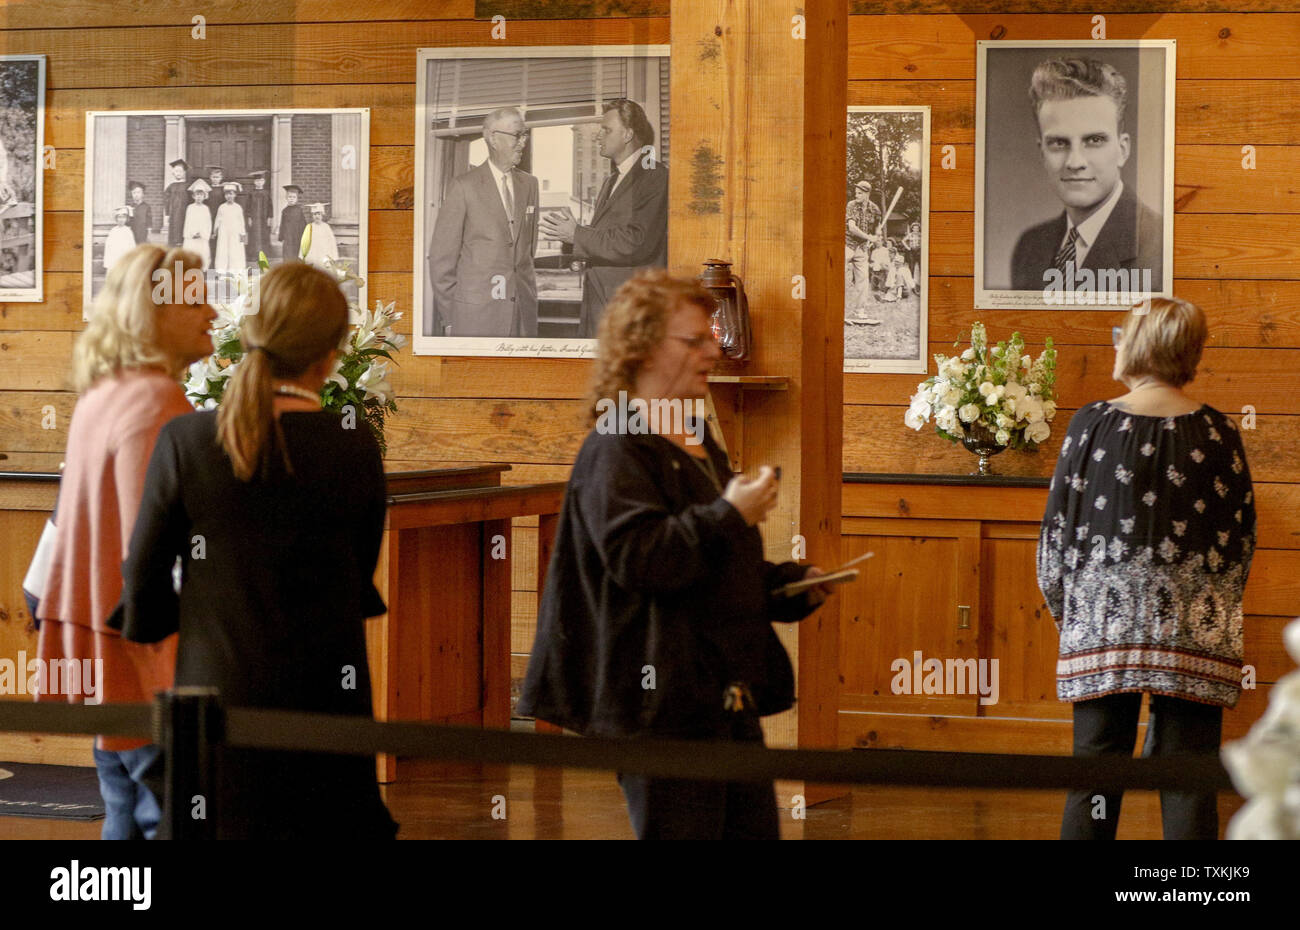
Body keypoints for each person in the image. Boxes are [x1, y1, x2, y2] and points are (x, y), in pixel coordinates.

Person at [518, 270, 835, 840]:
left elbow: (708, 566)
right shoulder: (617, 445)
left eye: (711, 336)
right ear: (640, 348)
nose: (713, 349)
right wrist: (728, 513)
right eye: (694, 340)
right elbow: (643, 560)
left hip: (718, 695)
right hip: (658, 704)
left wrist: (786, 586)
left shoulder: (693, 437)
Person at [110, 262, 398, 841]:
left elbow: (142, 579)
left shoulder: (188, 440)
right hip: (328, 695)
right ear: (332, 353)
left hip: (215, 694)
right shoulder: (354, 444)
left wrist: (181, 625)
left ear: (250, 333)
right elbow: (359, 566)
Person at [1037, 297, 1255, 840]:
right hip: (1195, 639)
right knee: (1186, 778)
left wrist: (1076, 622)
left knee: (1095, 776)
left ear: (1137, 345)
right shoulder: (1221, 433)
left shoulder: (1089, 425)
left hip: (1102, 631)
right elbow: (1240, 545)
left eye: (1121, 332)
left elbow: (1054, 545)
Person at [34, 244, 215, 840]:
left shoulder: (103, 392)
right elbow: (155, 552)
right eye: (197, 298)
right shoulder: (158, 400)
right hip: (143, 661)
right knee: (171, 820)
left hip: (95, 651)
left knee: (124, 817)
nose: (212, 312)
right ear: (154, 311)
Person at [1010, 57, 1163, 297]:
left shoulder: (1161, 247)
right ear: (1042, 152)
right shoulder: (1029, 248)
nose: (1075, 162)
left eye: (1094, 140)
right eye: (1059, 143)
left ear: (1123, 150)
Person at [539, 98, 668, 338]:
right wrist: (570, 236)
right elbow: (608, 237)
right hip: (603, 301)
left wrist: (577, 233)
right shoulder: (612, 180)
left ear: (628, 134)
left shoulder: (654, 176)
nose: (598, 135)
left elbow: (635, 242)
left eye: (606, 129)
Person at [427, 106, 539, 337]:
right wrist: (451, 317)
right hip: (475, 319)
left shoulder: (530, 185)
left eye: (525, 135)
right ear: (493, 138)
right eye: (518, 135)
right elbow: (441, 260)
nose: (523, 142)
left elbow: (528, 250)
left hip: (522, 317)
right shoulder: (463, 187)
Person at [846, 179, 882, 304]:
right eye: (856, 193)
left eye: (860, 193)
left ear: (867, 194)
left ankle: (859, 311)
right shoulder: (852, 205)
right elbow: (852, 227)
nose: (856, 195)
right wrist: (869, 237)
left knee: (863, 279)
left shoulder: (875, 209)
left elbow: (878, 226)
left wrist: (877, 233)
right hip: (847, 245)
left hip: (862, 248)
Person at [212, 181, 246, 275]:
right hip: (224, 232)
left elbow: (241, 222)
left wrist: (243, 237)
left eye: (231, 194)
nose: (229, 196)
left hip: (235, 232)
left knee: (235, 249)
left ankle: (235, 270)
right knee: (222, 249)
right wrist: (215, 231)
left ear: (235, 195)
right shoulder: (221, 207)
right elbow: (217, 220)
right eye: (227, 194)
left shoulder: (238, 207)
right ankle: (222, 269)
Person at [183, 179, 212, 269]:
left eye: (201, 195)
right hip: (192, 236)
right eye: (197, 195)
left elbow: (208, 223)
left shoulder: (205, 208)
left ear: (204, 196)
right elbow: (188, 222)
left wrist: (203, 233)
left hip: (202, 236)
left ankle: (202, 269)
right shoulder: (190, 208)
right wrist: (192, 233)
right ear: (193, 196)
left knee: (202, 252)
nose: (199, 197)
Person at [244, 170, 272, 262]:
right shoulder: (251, 193)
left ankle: (263, 255)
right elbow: (247, 206)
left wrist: (270, 217)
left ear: (264, 182)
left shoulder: (266, 193)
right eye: (257, 181)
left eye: (260, 181)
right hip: (254, 218)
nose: (259, 182)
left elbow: (270, 206)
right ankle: (253, 255)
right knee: (254, 235)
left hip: (264, 218)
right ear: (254, 182)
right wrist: (249, 217)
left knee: (263, 235)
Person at [303, 202, 339, 271]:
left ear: (322, 215)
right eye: (315, 214)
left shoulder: (326, 227)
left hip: (324, 253)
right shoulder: (309, 227)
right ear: (312, 216)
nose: (317, 216)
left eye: (319, 214)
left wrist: (333, 255)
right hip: (313, 254)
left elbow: (331, 241)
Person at [162, 158, 189, 248]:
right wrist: (167, 215)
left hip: (184, 215)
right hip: (173, 215)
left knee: (182, 239)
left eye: (180, 171)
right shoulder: (170, 187)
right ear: (173, 173)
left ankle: (181, 262)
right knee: (174, 239)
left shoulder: (187, 186)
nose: (178, 173)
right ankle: (176, 262)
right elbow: (166, 201)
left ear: (184, 172)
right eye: (176, 171)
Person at [102, 206, 137, 272]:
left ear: (126, 219)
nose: (121, 219)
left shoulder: (128, 231)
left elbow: (132, 246)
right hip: (114, 257)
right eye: (119, 217)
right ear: (116, 219)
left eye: (123, 217)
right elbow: (108, 246)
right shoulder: (113, 230)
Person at [278, 184, 307, 262]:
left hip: (297, 237)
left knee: (297, 255)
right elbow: (282, 224)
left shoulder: (299, 210)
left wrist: (305, 235)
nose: (291, 199)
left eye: (294, 197)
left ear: (297, 199)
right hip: (288, 237)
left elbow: (303, 223)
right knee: (287, 254)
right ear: (286, 198)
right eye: (290, 197)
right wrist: (281, 236)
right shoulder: (285, 211)